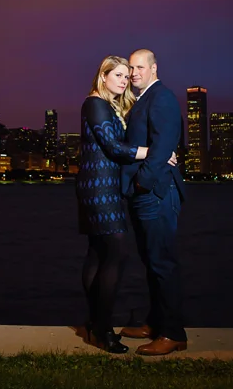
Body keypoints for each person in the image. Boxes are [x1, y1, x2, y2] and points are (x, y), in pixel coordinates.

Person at [76, 54, 176, 354]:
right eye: (118, 75)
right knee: (117, 252)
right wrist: (154, 152)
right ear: (103, 77)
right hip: (98, 188)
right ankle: (103, 329)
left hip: (106, 187)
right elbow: (112, 146)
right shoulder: (94, 103)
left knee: (98, 254)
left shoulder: (109, 106)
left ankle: (95, 324)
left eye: (127, 74)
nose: (124, 79)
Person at [118, 48, 189, 356]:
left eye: (139, 67)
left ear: (154, 68)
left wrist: (141, 182)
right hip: (146, 194)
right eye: (130, 67)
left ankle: (173, 333)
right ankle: (156, 322)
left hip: (156, 193)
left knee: (162, 264)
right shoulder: (143, 99)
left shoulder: (161, 97)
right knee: (151, 262)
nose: (134, 72)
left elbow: (164, 147)